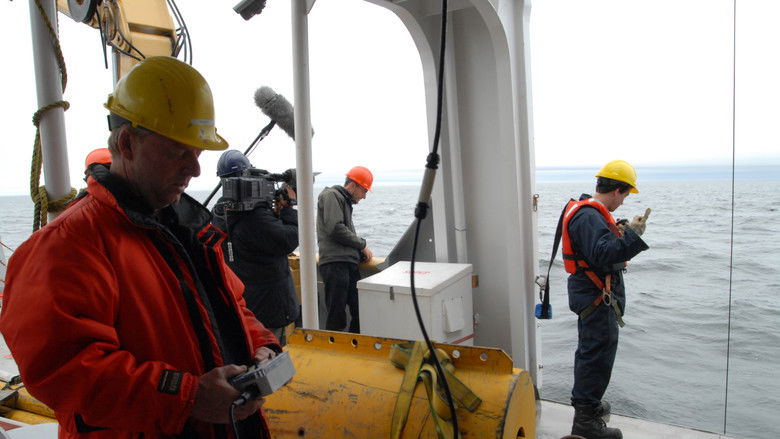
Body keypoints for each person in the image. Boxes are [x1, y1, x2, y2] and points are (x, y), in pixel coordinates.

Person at [0, 56, 281, 439]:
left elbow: (233, 306)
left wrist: (261, 347)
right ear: (127, 142)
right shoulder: (67, 244)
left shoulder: (186, 228)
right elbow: (61, 369)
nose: (195, 169)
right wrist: (188, 396)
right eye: (178, 152)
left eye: (198, 153)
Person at [561, 159, 650, 439]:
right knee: (595, 357)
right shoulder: (588, 216)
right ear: (617, 191)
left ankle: (590, 410)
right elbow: (602, 254)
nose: (623, 202)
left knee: (593, 354)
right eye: (625, 195)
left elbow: (597, 249)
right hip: (596, 298)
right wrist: (632, 237)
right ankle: (585, 424)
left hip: (594, 296)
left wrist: (622, 229)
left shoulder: (591, 213)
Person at [211, 150, 300, 345]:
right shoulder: (255, 217)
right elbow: (289, 238)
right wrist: (288, 208)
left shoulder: (221, 211)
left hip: (245, 302)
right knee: (270, 356)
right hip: (268, 306)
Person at [316, 165, 374, 333]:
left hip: (347, 263)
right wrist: (362, 245)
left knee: (359, 310)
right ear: (353, 185)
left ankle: (353, 348)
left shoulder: (343, 201)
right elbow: (336, 228)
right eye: (364, 191)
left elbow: (341, 231)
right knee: (337, 314)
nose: (364, 197)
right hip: (335, 264)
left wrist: (358, 252)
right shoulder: (331, 195)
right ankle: (334, 352)